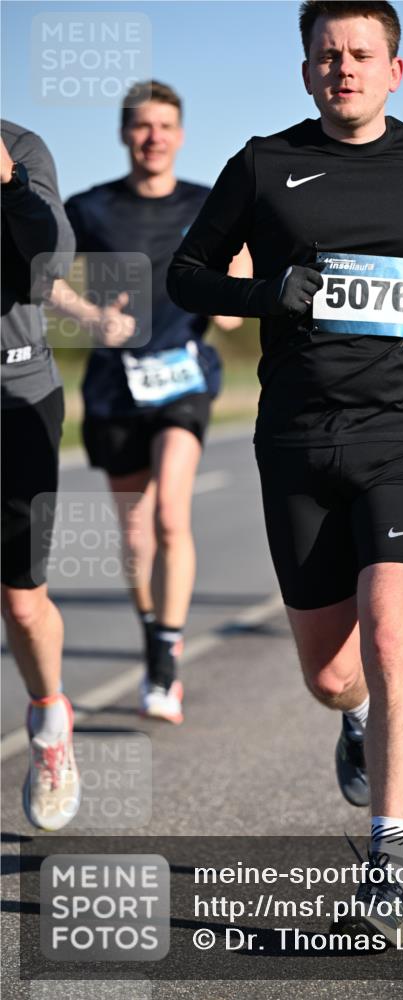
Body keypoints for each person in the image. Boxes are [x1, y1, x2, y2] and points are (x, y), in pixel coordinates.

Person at [167, 0, 403, 944]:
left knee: (391, 637)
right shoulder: (261, 163)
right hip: (296, 442)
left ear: (394, 70)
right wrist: (261, 293)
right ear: (305, 67)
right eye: (327, 54)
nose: (343, 68)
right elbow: (186, 274)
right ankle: (352, 721)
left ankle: (386, 867)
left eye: (361, 54)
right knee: (332, 673)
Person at [48, 80, 251, 725]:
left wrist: (230, 297)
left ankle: (164, 661)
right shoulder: (90, 207)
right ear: (124, 134)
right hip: (114, 386)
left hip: (184, 378)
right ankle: (153, 634)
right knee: (136, 532)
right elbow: (41, 272)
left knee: (169, 512)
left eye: (165, 125)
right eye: (141, 126)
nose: (153, 137)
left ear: (180, 134)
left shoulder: (205, 202)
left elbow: (240, 258)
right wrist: (86, 317)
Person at [1, 120, 80, 830]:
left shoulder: (19, 149)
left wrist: (7, 182)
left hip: (16, 397)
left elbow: (49, 261)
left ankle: (50, 722)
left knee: (22, 602)